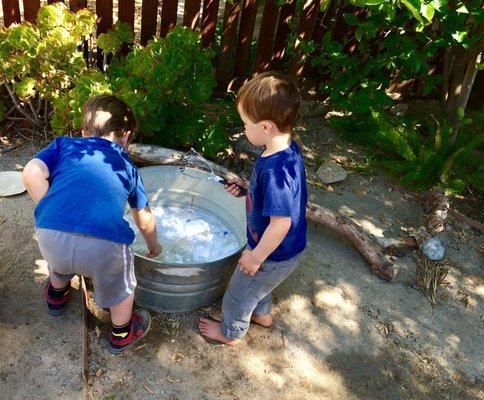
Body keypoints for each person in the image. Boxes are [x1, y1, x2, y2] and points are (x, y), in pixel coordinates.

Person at [22, 95, 162, 355]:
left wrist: (51, 206)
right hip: (103, 246)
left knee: (60, 262)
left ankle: (56, 297)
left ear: (84, 133)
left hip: (51, 234)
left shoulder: (64, 145)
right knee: (122, 287)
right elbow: (144, 218)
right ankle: (122, 334)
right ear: (126, 136)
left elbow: (30, 173)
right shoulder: (127, 167)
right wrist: (155, 246)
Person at [199, 71, 307, 345]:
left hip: (272, 253)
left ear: (267, 127)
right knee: (257, 287)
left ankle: (230, 333)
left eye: (246, 123)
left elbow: (280, 224)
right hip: (279, 251)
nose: (243, 129)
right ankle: (263, 316)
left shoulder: (275, 172)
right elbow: (282, 199)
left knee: (238, 293)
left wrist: (256, 257)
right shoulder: (285, 151)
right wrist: (249, 190)